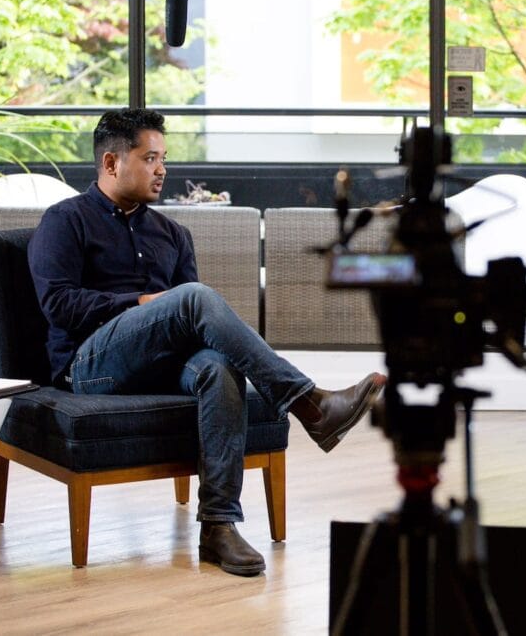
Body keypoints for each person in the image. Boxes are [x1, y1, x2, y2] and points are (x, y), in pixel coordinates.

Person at [28, 108, 386, 578]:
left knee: (218, 365)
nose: (162, 169)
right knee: (193, 298)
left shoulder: (172, 233)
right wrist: (141, 302)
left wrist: (168, 310)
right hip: (91, 365)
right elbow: (59, 304)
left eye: (164, 158)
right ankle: (310, 404)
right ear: (112, 164)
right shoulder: (65, 220)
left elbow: (194, 327)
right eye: (150, 157)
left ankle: (218, 525)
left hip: (162, 365)